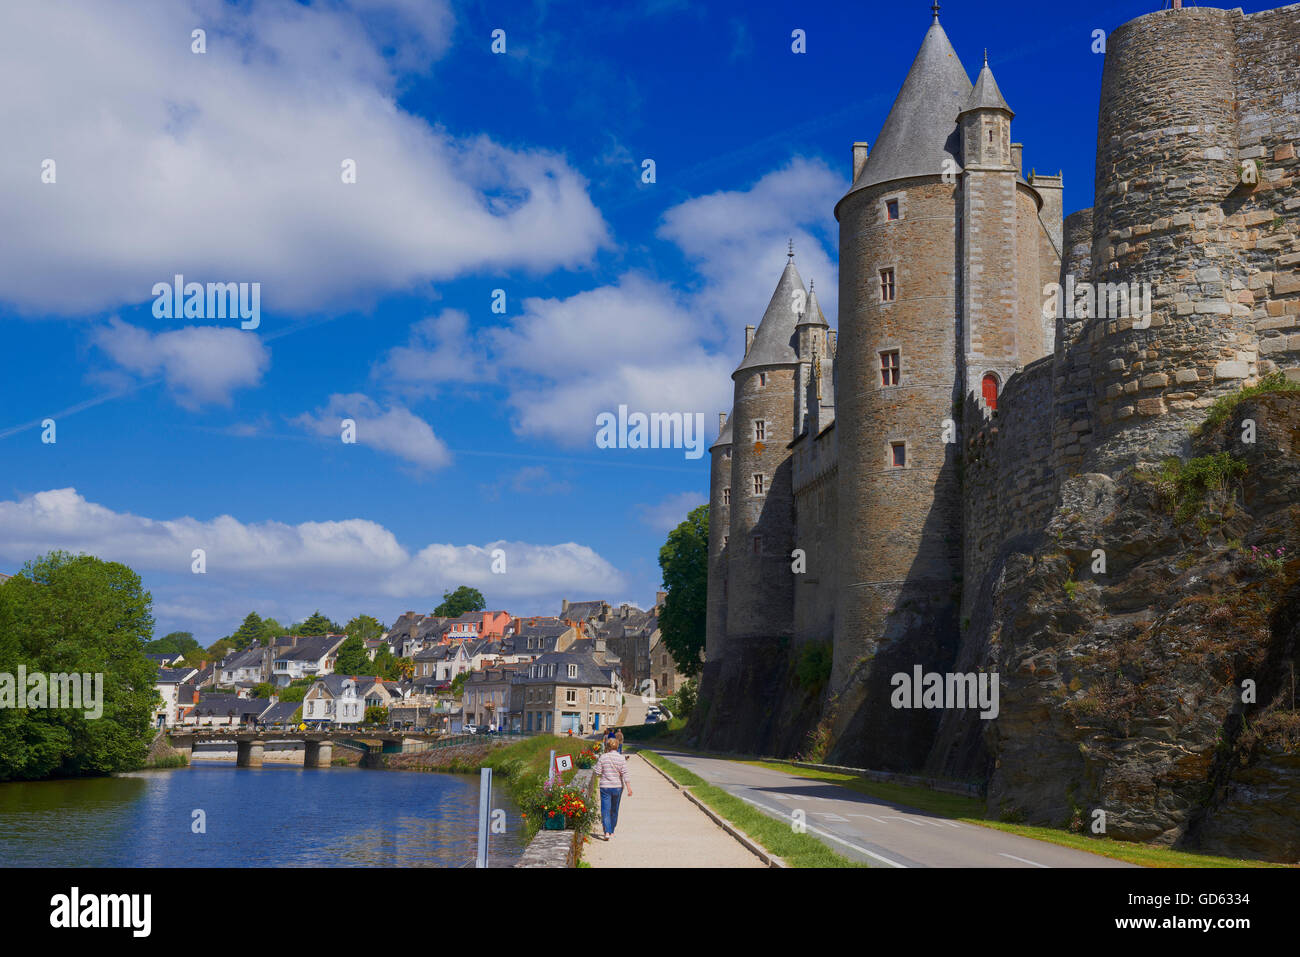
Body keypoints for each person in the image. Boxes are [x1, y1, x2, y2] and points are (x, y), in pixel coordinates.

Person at [592, 738, 632, 840]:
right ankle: (612, 830)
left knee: (605, 810)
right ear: (617, 746)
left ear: (607, 747)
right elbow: (625, 773)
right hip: (617, 787)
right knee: (614, 810)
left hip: (605, 786)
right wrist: (629, 788)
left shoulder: (603, 757)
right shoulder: (621, 758)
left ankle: (607, 832)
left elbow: (597, 771)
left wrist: (603, 773)